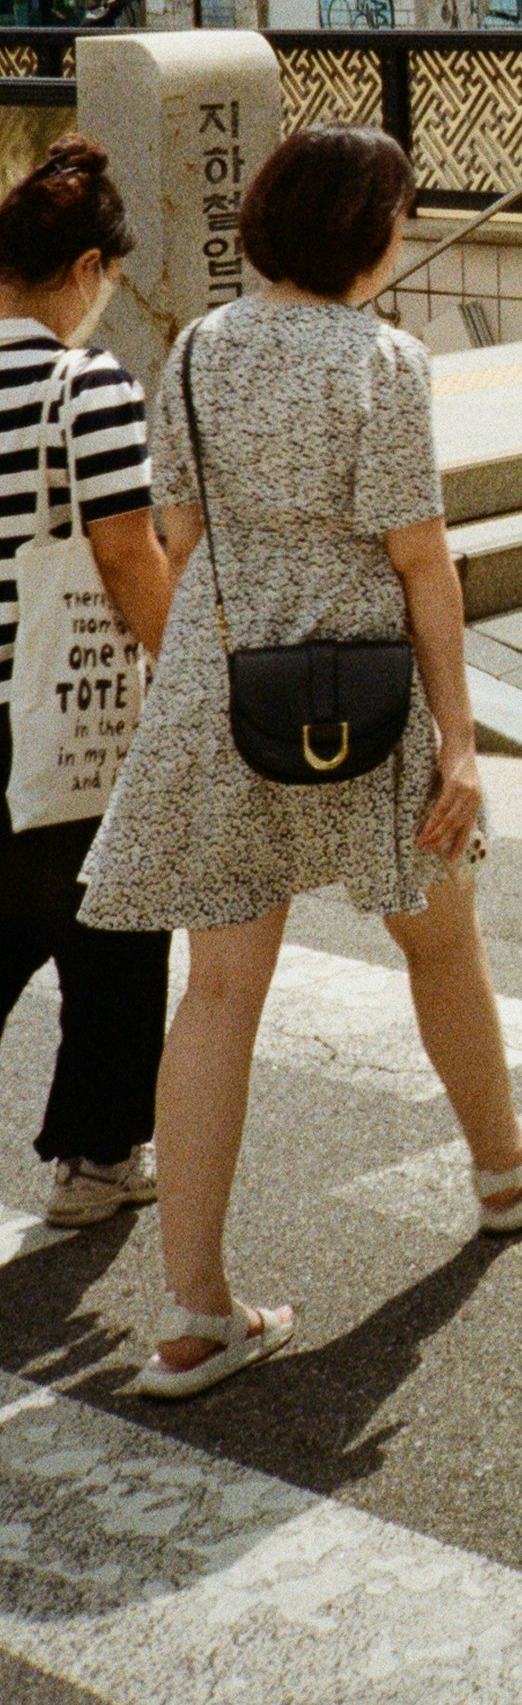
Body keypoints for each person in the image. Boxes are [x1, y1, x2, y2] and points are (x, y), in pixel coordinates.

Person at [81, 125, 522, 1399]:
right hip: (360, 693)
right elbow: (420, 558)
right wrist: (464, 743)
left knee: (216, 994)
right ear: (362, 234)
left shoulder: (199, 349)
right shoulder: (385, 362)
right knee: (439, 931)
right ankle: (503, 1162)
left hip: (222, 689)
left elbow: (185, 526)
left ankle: (195, 1311)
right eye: (399, 222)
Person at [0, 140, 172, 1228]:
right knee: (112, 932)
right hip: (62, 715)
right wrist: (186, 673)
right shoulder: (84, 385)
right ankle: (99, 1159)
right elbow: (125, 555)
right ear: (88, 270)